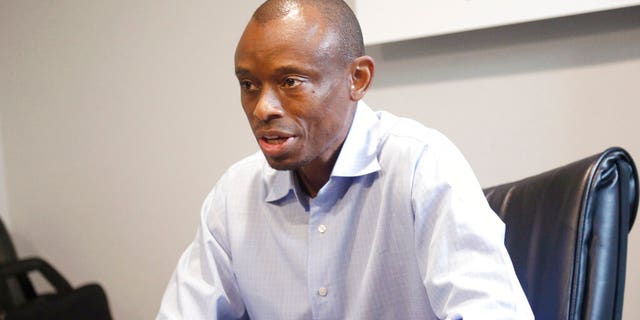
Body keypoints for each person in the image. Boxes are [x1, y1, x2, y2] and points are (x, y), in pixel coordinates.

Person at [157, 0, 534, 319]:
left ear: (358, 78)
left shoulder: (422, 165)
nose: (262, 108)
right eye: (248, 85)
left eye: (289, 82)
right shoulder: (234, 195)